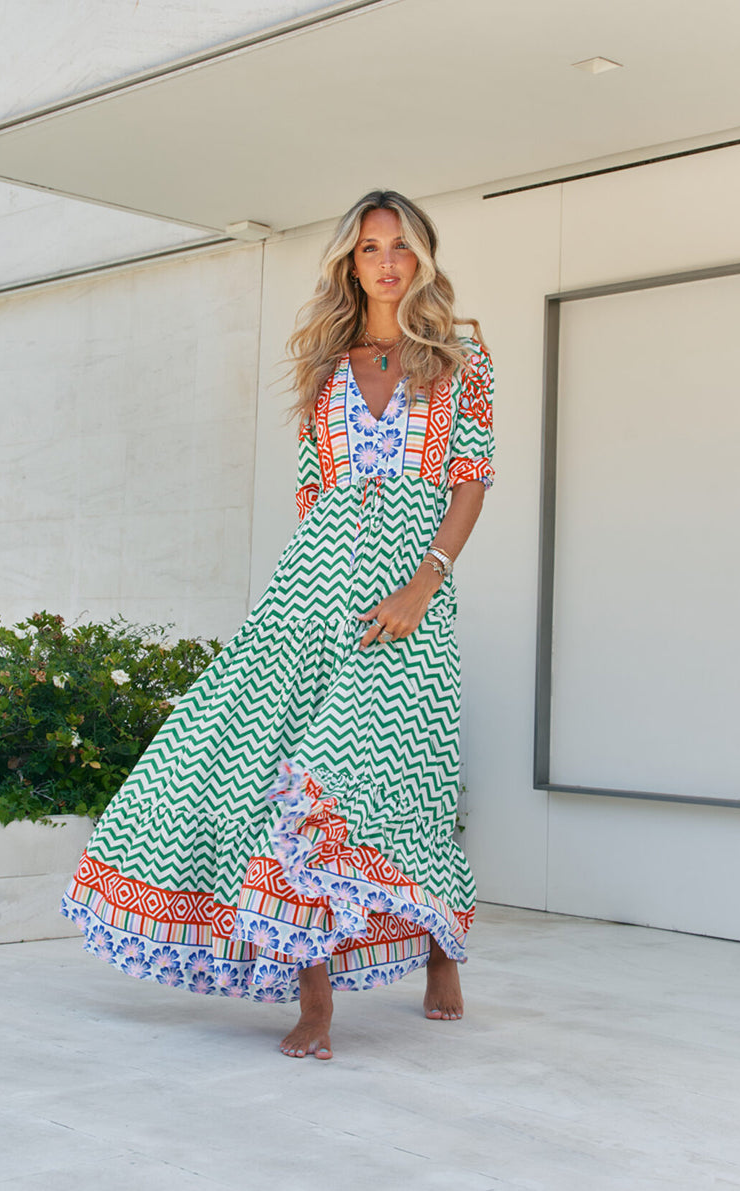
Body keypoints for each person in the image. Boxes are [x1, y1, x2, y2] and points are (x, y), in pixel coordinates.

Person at [60, 189, 495, 1062]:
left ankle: (443, 949)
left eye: (400, 246)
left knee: (398, 777)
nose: (385, 261)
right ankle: (316, 999)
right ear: (350, 262)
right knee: (278, 777)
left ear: (423, 258)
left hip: (410, 600)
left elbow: (471, 480)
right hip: (312, 595)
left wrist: (425, 581)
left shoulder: (463, 358)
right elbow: (314, 498)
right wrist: (300, 602)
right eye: (369, 247)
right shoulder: (327, 365)